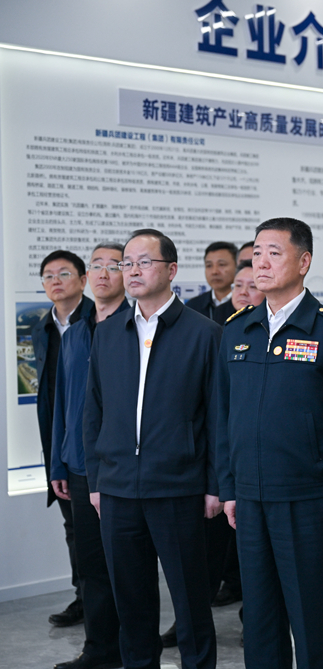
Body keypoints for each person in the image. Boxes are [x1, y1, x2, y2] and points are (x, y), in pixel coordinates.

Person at [217, 218, 323, 669]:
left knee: (311, 616)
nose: (260, 263)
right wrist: (229, 487)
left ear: (303, 262)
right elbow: (223, 418)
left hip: (307, 500)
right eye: (256, 253)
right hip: (249, 498)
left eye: (274, 253)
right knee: (259, 617)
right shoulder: (237, 329)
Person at [83, 229, 222, 669]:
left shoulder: (205, 334)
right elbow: (93, 412)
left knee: (191, 604)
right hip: (117, 489)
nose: (132, 271)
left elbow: (218, 418)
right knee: (132, 606)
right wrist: (96, 480)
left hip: (178, 487)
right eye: (127, 263)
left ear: (171, 269)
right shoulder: (107, 333)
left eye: (144, 262)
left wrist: (215, 484)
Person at [49, 243, 130, 669]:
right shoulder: (77, 333)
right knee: (92, 567)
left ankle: (136, 648)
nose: (102, 273)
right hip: (80, 467)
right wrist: (59, 461)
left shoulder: (137, 327)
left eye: (113, 265)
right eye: (96, 265)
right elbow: (63, 403)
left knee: (129, 568)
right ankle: (100, 650)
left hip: (121, 469)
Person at [33, 250, 94, 629]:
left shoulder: (98, 321)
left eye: (64, 273)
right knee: (73, 528)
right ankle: (83, 598)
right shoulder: (42, 328)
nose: (55, 281)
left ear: (83, 280)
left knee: (100, 533)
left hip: (93, 445)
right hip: (59, 439)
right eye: (48, 275)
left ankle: (104, 603)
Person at [186, 241, 237, 320]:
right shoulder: (193, 307)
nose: (214, 272)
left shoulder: (246, 303)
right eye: (209, 265)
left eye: (221, 264)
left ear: (237, 266)